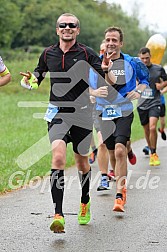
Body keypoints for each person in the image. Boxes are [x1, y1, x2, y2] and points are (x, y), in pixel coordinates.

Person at [20, 13, 107, 233]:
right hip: (58, 113)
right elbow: (37, 77)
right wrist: (28, 80)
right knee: (58, 156)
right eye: (63, 25)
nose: (67, 28)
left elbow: (105, 80)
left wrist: (104, 75)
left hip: (82, 115)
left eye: (72, 25)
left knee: (81, 163)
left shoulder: (87, 53)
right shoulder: (48, 53)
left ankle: (85, 200)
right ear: (57, 29)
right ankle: (58, 214)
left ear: (78, 30)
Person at [98, 27, 149, 211]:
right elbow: (88, 84)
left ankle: (120, 194)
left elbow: (145, 80)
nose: (111, 43)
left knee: (120, 150)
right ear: (105, 42)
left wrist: (138, 91)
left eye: (114, 40)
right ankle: (118, 182)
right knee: (112, 151)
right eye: (108, 39)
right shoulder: (98, 62)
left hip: (124, 110)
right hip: (104, 111)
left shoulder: (132, 62)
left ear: (121, 43)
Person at [138, 47, 167, 165]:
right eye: (142, 58)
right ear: (140, 58)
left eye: (147, 58)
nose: (145, 61)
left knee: (152, 127)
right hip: (142, 104)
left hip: (155, 102)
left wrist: (162, 85)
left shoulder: (158, 68)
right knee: (146, 130)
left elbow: (166, 80)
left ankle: (154, 153)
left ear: (150, 56)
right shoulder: (137, 69)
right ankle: (151, 151)